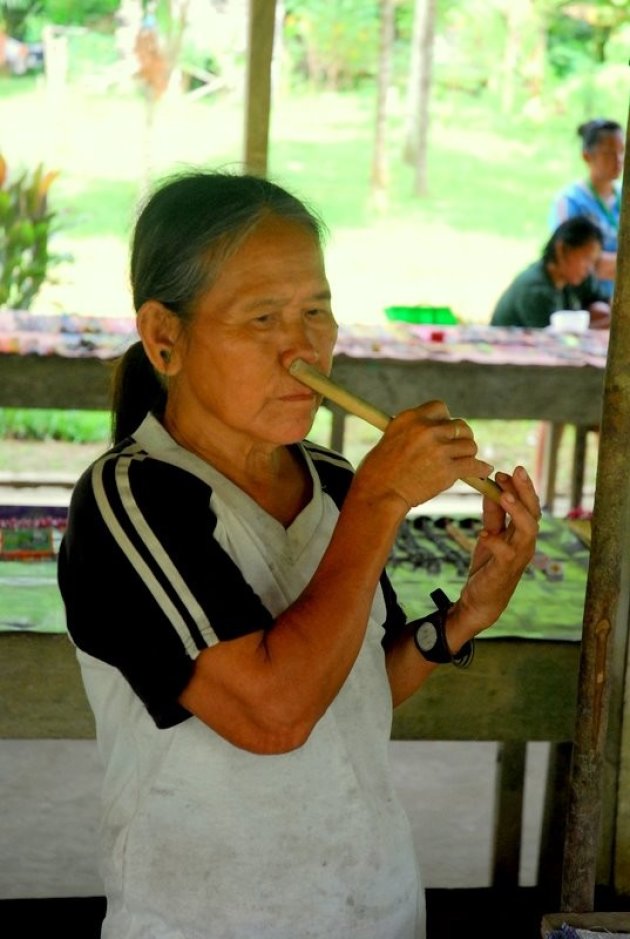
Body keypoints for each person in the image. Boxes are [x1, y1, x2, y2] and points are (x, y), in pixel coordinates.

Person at [57, 170, 539, 939]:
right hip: (207, 921)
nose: (303, 347)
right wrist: (383, 501)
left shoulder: (339, 485)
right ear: (164, 338)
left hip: (374, 906)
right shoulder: (132, 500)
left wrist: (459, 621)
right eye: (262, 317)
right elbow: (275, 713)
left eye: (317, 310)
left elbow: (347, 683)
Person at [549, 117, 624, 301]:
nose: (618, 160)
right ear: (587, 156)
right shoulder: (570, 202)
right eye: (609, 153)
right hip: (584, 302)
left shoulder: (624, 198)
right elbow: (573, 262)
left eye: (622, 152)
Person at [491, 215, 611, 329]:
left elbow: (603, 301)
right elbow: (554, 340)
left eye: (593, 262)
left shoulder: (579, 278)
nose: (589, 268)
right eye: (586, 259)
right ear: (562, 249)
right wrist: (609, 325)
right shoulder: (535, 290)